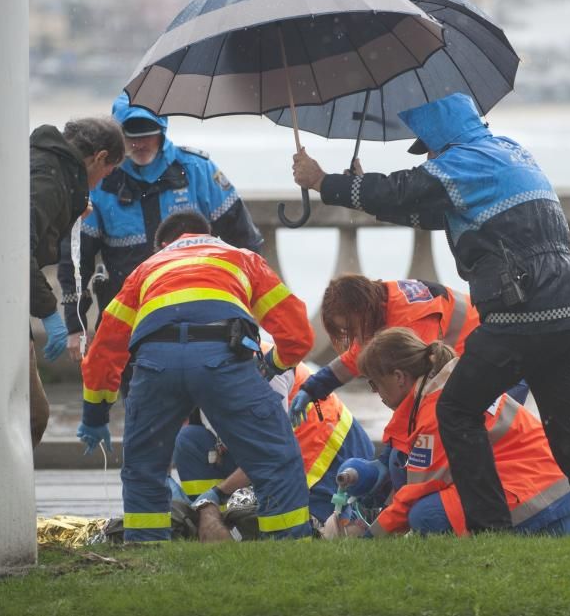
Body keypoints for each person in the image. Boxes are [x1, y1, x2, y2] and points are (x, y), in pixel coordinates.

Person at [291, 92, 570, 535]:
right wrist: (361, 190)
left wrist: (324, 182)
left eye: (426, 145)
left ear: (438, 135)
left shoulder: (460, 159)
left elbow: (405, 188)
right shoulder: (509, 152)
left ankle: (490, 530)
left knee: (456, 409)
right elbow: (428, 209)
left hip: (520, 312)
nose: (427, 155)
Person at [77, 211, 314, 541]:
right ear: (210, 234)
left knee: (144, 468)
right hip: (222, 358)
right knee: (274, 459)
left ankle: (147, 555)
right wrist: (273, 364)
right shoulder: (240, 258)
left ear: (163, 245)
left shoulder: (146, 270)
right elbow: (298, 333)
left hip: (155, 362)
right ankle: (290, 548)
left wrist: (95, 414)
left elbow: (104, 350)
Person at [58, 92, 264, 364]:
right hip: (130, 319)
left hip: (199, 316)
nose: (140, 143)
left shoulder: (196, 170)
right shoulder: (103, 182)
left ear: (163, 131)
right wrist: (76, 325)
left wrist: (250, 309)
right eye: (132, 135)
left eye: (148, 133)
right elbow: (76, 259)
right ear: (118, 137)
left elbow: (246, 243)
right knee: (135, 402)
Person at [337, 327, 570, 538]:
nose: (374, 392)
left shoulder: (432, 411)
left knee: (425, 515)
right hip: (554, 489)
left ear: (399, 377)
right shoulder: (450, 383)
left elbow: (416, 493)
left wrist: (371, 536)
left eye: (374, 383)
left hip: (538, 499)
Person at [289, 274, 531, 427]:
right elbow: (356, 358)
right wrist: (311, 389)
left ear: (360, 310)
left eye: (350, 328)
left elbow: (420, 386)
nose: (354, 337)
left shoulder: (412, 318)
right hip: (479, 365)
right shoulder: (376, 304)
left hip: (502, 365)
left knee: (493, 438)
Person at [174, 350, 373, 534]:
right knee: (190, 442)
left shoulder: (261, 372)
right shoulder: (195, 374)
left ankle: (358, 516)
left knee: (312, 530)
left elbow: (268, 452)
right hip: (275, 453)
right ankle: (220, 523)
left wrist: (217, 493)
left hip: (326, 451)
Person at [29, 117, 125, 446]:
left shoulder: (52, 169)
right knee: (30, 415)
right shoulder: (49, 178)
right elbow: (16, 248)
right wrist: (49, 314)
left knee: (31, 414)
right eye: (105, 173)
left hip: (6, 302)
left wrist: (69, 211)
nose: (98, 185)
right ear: (99, 158)